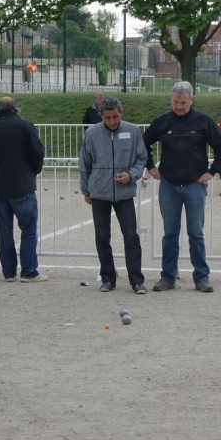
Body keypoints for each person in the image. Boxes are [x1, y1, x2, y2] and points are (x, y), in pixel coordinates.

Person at [143, 81, 221, 294]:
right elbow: (143, 143)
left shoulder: (203, 121)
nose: (179, 106)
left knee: (196, 234)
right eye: (175, 102)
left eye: (183, 102)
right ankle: (168, 277)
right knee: (170, 234)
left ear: (191, 100)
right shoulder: (162, 121)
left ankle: (201, 277)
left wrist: (212, 171)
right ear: (171, 100)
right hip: (168, 186)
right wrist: (151, 167)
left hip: (195, 186)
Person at [79, 96, 148, 294]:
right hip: (99, 192)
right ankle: (108, 278)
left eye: (115, 117)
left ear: (121, 113)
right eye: (107, 117)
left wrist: (131, 175)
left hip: (124, 193)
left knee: (131, 236)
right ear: (100, 115)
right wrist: (86, 191)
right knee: (102, 237)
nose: (111, 121)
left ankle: (137, 280)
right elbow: (84, 163)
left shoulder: (133, 131)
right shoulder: (91, 133)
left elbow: (141, 157)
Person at [0, 97, 47, 283]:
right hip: (22, 184)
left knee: (5, 231)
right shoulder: (25, 126)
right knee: (29, 230)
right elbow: (38, 152)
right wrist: (33, 171)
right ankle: (29, 271)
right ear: (15, 108)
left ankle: (9, 272)